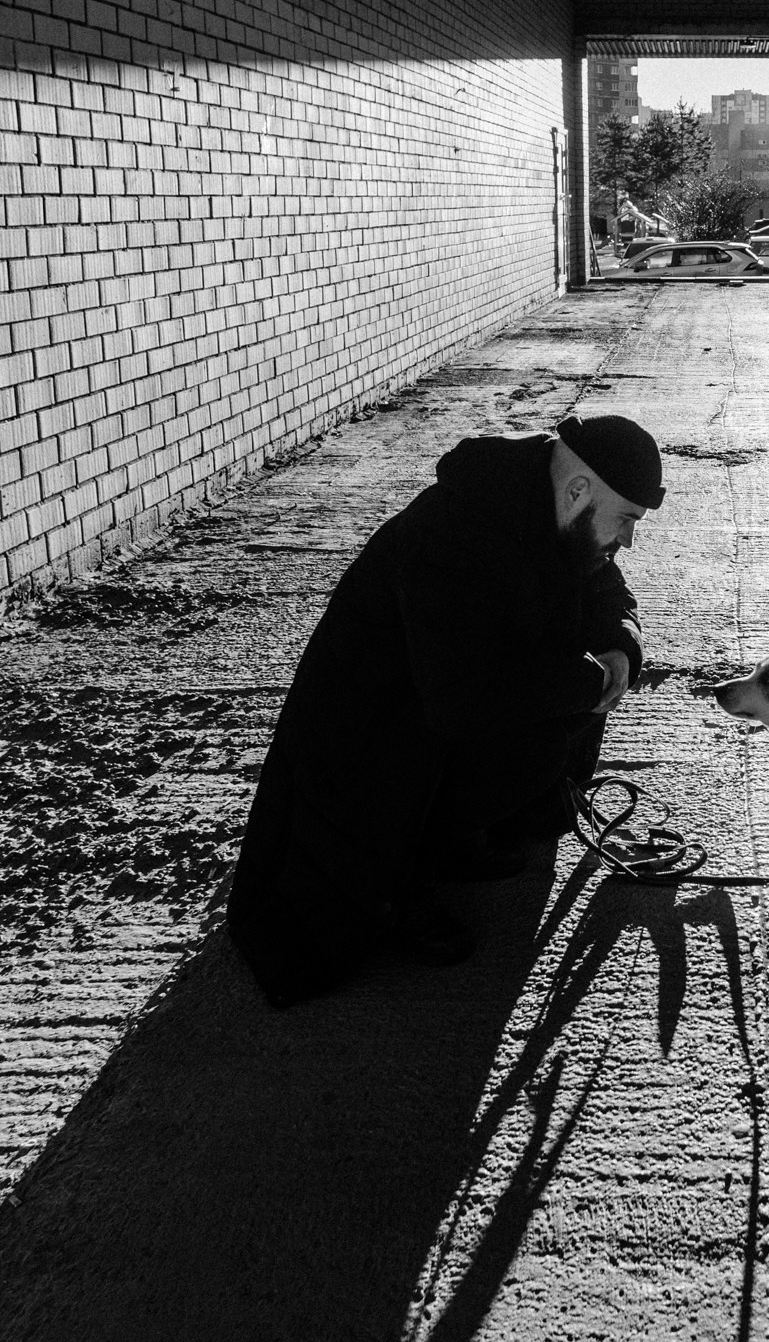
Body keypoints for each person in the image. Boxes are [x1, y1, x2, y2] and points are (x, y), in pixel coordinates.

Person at [226, 413, 664, 1007]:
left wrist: (619, 640)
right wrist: (585, 681)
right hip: (369, 750)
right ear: (579, 490)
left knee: (554, 724)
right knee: (544, 732)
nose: (628, 540)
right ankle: (397, 886)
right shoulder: (454, 534)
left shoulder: (551, 506)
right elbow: (462, 701)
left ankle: (450, 838)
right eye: (628, 520)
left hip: (432, 722)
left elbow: (604, 586)